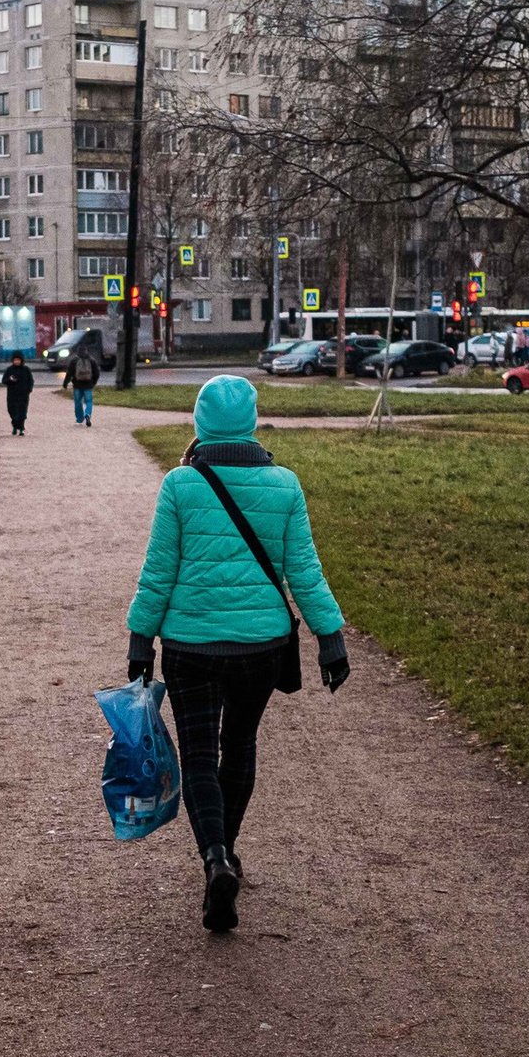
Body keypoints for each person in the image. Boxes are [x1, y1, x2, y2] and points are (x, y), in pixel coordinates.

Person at [127, 374, 349, 933]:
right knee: (240, 745)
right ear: (250, 422)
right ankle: (227, 851)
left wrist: (140, 639)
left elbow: (159, 571)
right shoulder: (285, 484)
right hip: (260, 647)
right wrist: (330, 638)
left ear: (200, 423)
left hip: (190, 646)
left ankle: (215, 859)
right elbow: (304, 571)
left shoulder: (181, 484)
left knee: (199, 756)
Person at [67, 338, 101, 427]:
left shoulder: (74, 361)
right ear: (87, 351)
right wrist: (93, 382)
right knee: (89, 401)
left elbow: (69, 373)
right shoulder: (92, 360)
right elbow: (97, 373)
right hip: (88, 385)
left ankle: (79, 419)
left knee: (78, 402)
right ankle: (87, 414)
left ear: (77, 351)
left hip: (77, 385)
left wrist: (66, 383)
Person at [2, 351, 34, 435]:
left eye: (18, 360)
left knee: (22, 411)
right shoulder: (9, 369)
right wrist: (10, 379)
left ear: (21, 360)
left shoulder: (26, 370)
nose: (17, 361)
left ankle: (21, 429)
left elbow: (30, 380)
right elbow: (4, 380)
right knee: (12, 410)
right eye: (15, 360)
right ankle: (15, 426)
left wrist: (29, 389)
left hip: (23, 394)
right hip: (12, 394)